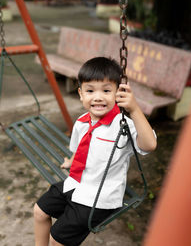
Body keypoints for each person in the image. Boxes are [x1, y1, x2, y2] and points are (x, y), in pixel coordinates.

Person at [34, 57, 157, 246]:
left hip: (100, 198)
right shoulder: (82, 122)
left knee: (56, 240)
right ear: (81, 94)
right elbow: (79, 148)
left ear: (118, 94)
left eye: (106, 91)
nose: (98, 97)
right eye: (90, 91)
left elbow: (149, 145)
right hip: (77, 182)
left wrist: (134, 109)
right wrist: (71, 161)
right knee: (39, 211)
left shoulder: (122, 125)